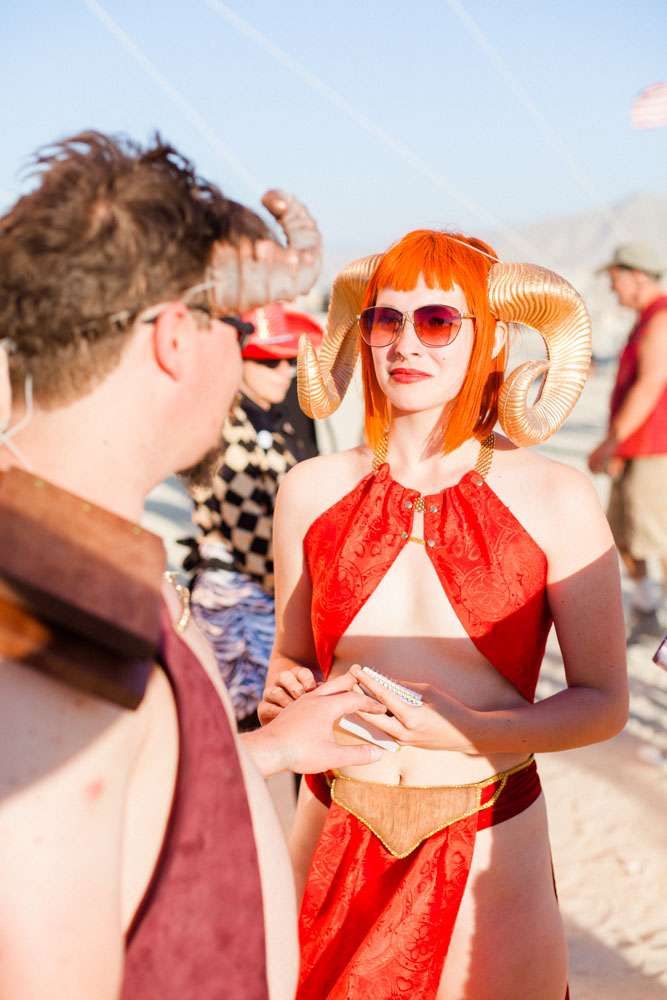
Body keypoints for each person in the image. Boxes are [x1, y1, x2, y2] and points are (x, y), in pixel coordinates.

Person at [0, 131, 386, 1000]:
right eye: (237, 330)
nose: (245, 358)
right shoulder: (47, 627)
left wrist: (272, 747)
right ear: (177, 337)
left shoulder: (80, 565)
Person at [260, 231, 629, 1000]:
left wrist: (471, 730)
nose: (404, 344)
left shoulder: (556, 497)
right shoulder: (308, 488)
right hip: (330, 820)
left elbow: (602, 702)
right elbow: (288, 659)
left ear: (489, 340)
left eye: (435, 321)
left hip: (488, 826)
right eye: (383, 320)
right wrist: (285, 693)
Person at [183, 302, 323, 730]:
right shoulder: (223, 427)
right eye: (268, 361)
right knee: (244, 731)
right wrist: (305, 597)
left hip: (266, 599)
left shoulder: (274, 422)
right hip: (240, 608)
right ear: (237, 361)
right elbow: (252, 535)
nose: (285, 371)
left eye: (289, 360)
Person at [588, 243, 667, 616]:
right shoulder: (645, 319)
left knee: (658, 536)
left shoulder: (661, 319)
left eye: (615, 278)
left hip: (655, 448)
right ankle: (647, 603)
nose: (612, 287)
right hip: (635, 447)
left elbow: (650, 385)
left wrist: (610, 443)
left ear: (637, 276)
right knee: (620, 531)